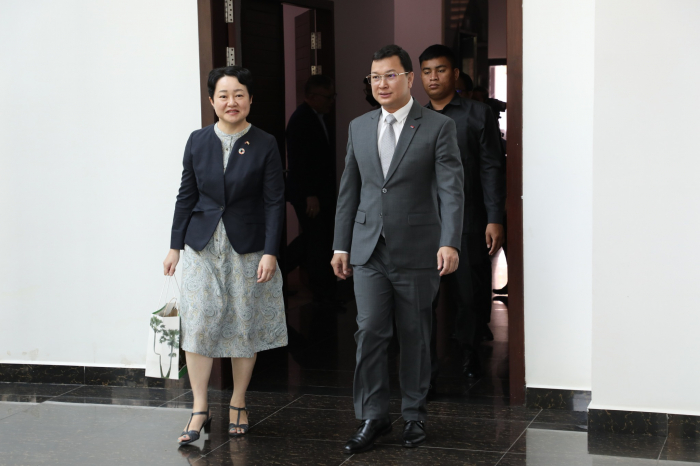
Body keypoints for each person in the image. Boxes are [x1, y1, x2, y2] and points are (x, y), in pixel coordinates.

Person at [331, 44, 464, 453]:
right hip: (368, 248)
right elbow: (349, 190)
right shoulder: (359, 126)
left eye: (390, 75)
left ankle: (414, 415)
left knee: (414, 334)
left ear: (409, 79)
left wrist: (449, 241)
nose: (382, 84)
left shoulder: (438, 126)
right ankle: (373, 416)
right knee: (370, 330)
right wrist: (340, 245)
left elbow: (451, 190)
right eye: (375, 77)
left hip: (418, 248)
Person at [163, 66, 287, 445]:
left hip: (247, 247)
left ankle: (238, 402)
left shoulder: (265, 142)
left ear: (250, 99)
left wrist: (271, 252)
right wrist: (174, 245)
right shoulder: (197, 140)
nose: (231, 102)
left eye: (239, 94)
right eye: (223, 95)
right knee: (198, 324)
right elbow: (186, 195)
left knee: (242, 324)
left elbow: (274, 201)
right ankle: (199, 407)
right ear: (212, 101)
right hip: (201, 245)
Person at [419, 44, 506, 378]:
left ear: (455, 74)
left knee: (469, 294)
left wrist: (494, 218)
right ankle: (426, 367)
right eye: (427, 71)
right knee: (425, 299)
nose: (433, 77)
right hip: (426, 222)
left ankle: (470, 355)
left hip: (469, 219)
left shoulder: (477, 114)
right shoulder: (415, 118)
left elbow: (491, 168)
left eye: (440, 70)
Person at [285, 75, 340, 307]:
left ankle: (280, 274)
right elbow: (299, 162)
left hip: (321, 193)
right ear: (311, 96)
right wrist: (310, 195)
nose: (331, 101)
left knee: (317, 239)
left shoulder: (320, 118)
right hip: (309, 195)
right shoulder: (301, 120)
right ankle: (322, 294)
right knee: (316, 242)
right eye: (328, 97)